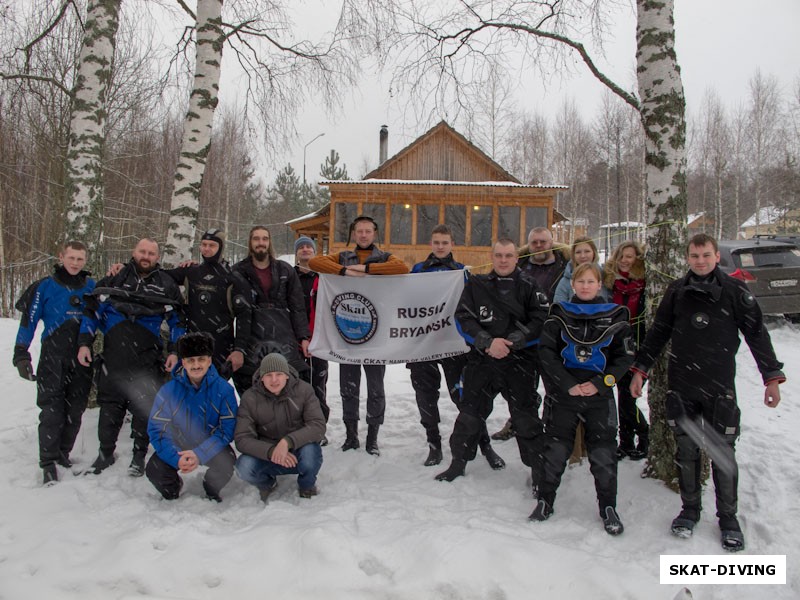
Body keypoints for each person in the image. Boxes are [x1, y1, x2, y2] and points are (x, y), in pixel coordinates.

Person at [630, 233, 785, 552]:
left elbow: (756, 334)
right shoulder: (677, 291)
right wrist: (641, 369)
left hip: (719, 386)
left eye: (706, 255)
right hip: (683, 385)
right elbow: (659, 332)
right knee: (686, 451)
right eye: (694, 255)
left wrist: (770, 376)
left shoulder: (734, 291)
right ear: (687, 258)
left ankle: (728, 518)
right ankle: (689, 511)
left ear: (716, 257)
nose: (700, 261)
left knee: (722, 453)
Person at [530, 263, 634, 535]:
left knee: (603, 453)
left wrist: (600, 384)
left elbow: (624, 358)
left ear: (600, 285)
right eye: (581, 281)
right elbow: (546, 353)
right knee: (555, 450)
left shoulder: (615, 316)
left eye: (591, 281)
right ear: (572, 285)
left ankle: (608, 507)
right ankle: (545, 500)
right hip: (564, 394)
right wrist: (567, 385)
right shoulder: (558, 315)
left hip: (599, 395)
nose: (586, 286)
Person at [435, 238, 548, 487]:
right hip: (483, 361)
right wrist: (487, 342)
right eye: (499, 255)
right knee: (469, 415)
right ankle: (458, 463)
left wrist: (515, 340)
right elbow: (463, 317)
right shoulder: (477, 285)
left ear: (517, 258)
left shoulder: (531, 286)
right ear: (492, 256)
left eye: (509, 255)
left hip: (520, 362)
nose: (504, 260)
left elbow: (541, 320)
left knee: (525, 419)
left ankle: (537, 470)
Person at [78, 238, 185, 477]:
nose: (146, 256)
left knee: (143, 408)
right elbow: (92, 311)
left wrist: (175, 351)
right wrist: (84, 343)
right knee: (109, 408)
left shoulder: (166, 284)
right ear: (134, 252)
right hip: (114, 353)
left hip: (147, 356)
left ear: (158, 257)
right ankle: (105, 454)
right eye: (142, 251)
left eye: (151, 253)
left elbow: (178, 321)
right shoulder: (114, 279)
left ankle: (138, 455)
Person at [308, 215, 409, 455]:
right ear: (354, 234)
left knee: (376, 389)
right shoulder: (342, 257)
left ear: (374, 234)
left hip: (377, 336)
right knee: (348, 388)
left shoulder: (385, 257)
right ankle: (351, 436)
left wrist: (366, 269)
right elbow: (315, 263)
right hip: (347, 334)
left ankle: (372, 438)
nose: (363, 235)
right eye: (359, 231)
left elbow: (402, 268)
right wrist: (344, 271)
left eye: (368, 231)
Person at [407, 224, 503, 468]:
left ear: (452, 245)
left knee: (465, 398)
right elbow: (405, 303)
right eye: (436, 242)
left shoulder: (461, 272)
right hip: (423, 345)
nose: (440, 246)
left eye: (445, 242)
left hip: (453, 345)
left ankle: (484, 444)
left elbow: (472, 306)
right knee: (425, 397)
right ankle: (434, 445)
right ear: (431, 244)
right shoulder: (418, 270)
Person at [13, 241, 95, 485]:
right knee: (52, 411)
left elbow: (103, 314)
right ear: (62, 257)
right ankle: (48, 461)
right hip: (53, 356)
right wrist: (20, 353)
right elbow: (28, 321)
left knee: (75, 410)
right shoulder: (45, 287)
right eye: (71, 258)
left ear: (85, 260)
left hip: (82, 357)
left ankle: (62, 455)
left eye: (80, 259)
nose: (75, 263)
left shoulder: (91, 286)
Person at [491, 226, 568, 441]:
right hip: (523, 335)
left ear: (551, 242)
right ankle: (518, 422)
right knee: (521, 387)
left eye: (543, 241)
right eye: (534, 242)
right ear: (529, 244)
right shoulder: (520, 265)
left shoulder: (565, 267)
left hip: (554, 335)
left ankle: (551, 426)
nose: (539, 246)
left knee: (553, 384)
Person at [146, 332, 238, 502]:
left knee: (227, 462)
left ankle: (211, 489)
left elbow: (227, 430)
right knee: (155, 470)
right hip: (178, 443)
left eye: (201, 359)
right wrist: (175, 458)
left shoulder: (224, 390)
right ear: (183, 362)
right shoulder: (168, 391)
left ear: (209, 360)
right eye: (191, 360)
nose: (196, 365)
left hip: (209, 442)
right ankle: (172, 491)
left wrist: (200, 453)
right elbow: (157, 429)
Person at [231, 225, 311, 396]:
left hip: (283, 332)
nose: (261, 243)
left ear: (269, 242)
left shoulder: (284, 269)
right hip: (251, 333)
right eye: (256, 239)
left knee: (288, 384)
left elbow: (297, 307)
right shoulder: (238, 271)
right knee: (252, 387)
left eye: (265, 239)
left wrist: (303, 337)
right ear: (250, 242)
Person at [234, 353, 326, 502]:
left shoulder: (304, 390)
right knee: (243, 467)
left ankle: (306, 486)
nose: (274, 380)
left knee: (311, 454)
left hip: (298, 449)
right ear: (262, 377)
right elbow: (242, 438)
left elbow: (317, 426)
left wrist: (287, 442)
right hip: (267, 454)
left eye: (279, 374)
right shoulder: (250, 398)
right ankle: (267, 483)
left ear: (287, 375)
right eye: (269, 375)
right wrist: (271, 451)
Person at [162, 228, 250, 380]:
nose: (207, 249)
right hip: (192, 345)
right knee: (192, 392)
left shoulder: (232, 277)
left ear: (221, 248)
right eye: (203, 244)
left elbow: (244, 315)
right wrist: (126, 267)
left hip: (221, 347)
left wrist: (239, 349)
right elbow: (159, 277)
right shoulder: (191, 272)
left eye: (212, 245)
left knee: (215, 393)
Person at [604, 240, 649, 460]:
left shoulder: (645, 285)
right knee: (620, 395)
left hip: (638, 345)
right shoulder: (610, 282)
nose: (624, 260)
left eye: (629, 256)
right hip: (614, 346)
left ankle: (645, 434)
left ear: (637, 260)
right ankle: (626, 442)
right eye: (622, 255)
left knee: (628, 397)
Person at [293, 236, 330, 425]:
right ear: (296, 253)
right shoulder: (289, 276)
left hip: (319, 340)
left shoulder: (324, 278)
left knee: (318, 386)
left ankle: (319, 425)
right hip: (294, 340)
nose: (305, 249)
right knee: (296, 386)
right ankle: (299, 424)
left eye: (309, 247)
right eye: (301, 247)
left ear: (315, 252)